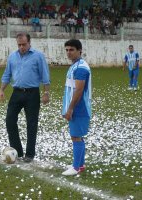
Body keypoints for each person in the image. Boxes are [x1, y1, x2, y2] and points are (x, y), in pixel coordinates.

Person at [0, 33, 50, 163]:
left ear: (29, 43)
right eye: (19, 45)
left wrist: (46, 93)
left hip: (32, 93)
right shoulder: (12, 57)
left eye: (24, 44)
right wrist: (2, 90)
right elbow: (7, 74)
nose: (22, 47)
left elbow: (45, 75)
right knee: (10, 120)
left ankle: (30, 154)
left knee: (31, 124)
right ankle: (17, 151)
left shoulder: (38, 56)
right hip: (16, 93)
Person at [61, 39, 91, 176]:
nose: (68, 52)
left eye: (71, 50)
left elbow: (79, 90)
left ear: (80, 50)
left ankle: (76, 167)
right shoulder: (76, 65)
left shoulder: (80, 68)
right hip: (77, 107)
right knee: (78, 136)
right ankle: (80, 164)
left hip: (79, 108)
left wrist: (71, 108)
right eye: (67, 50)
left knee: (75, 136)